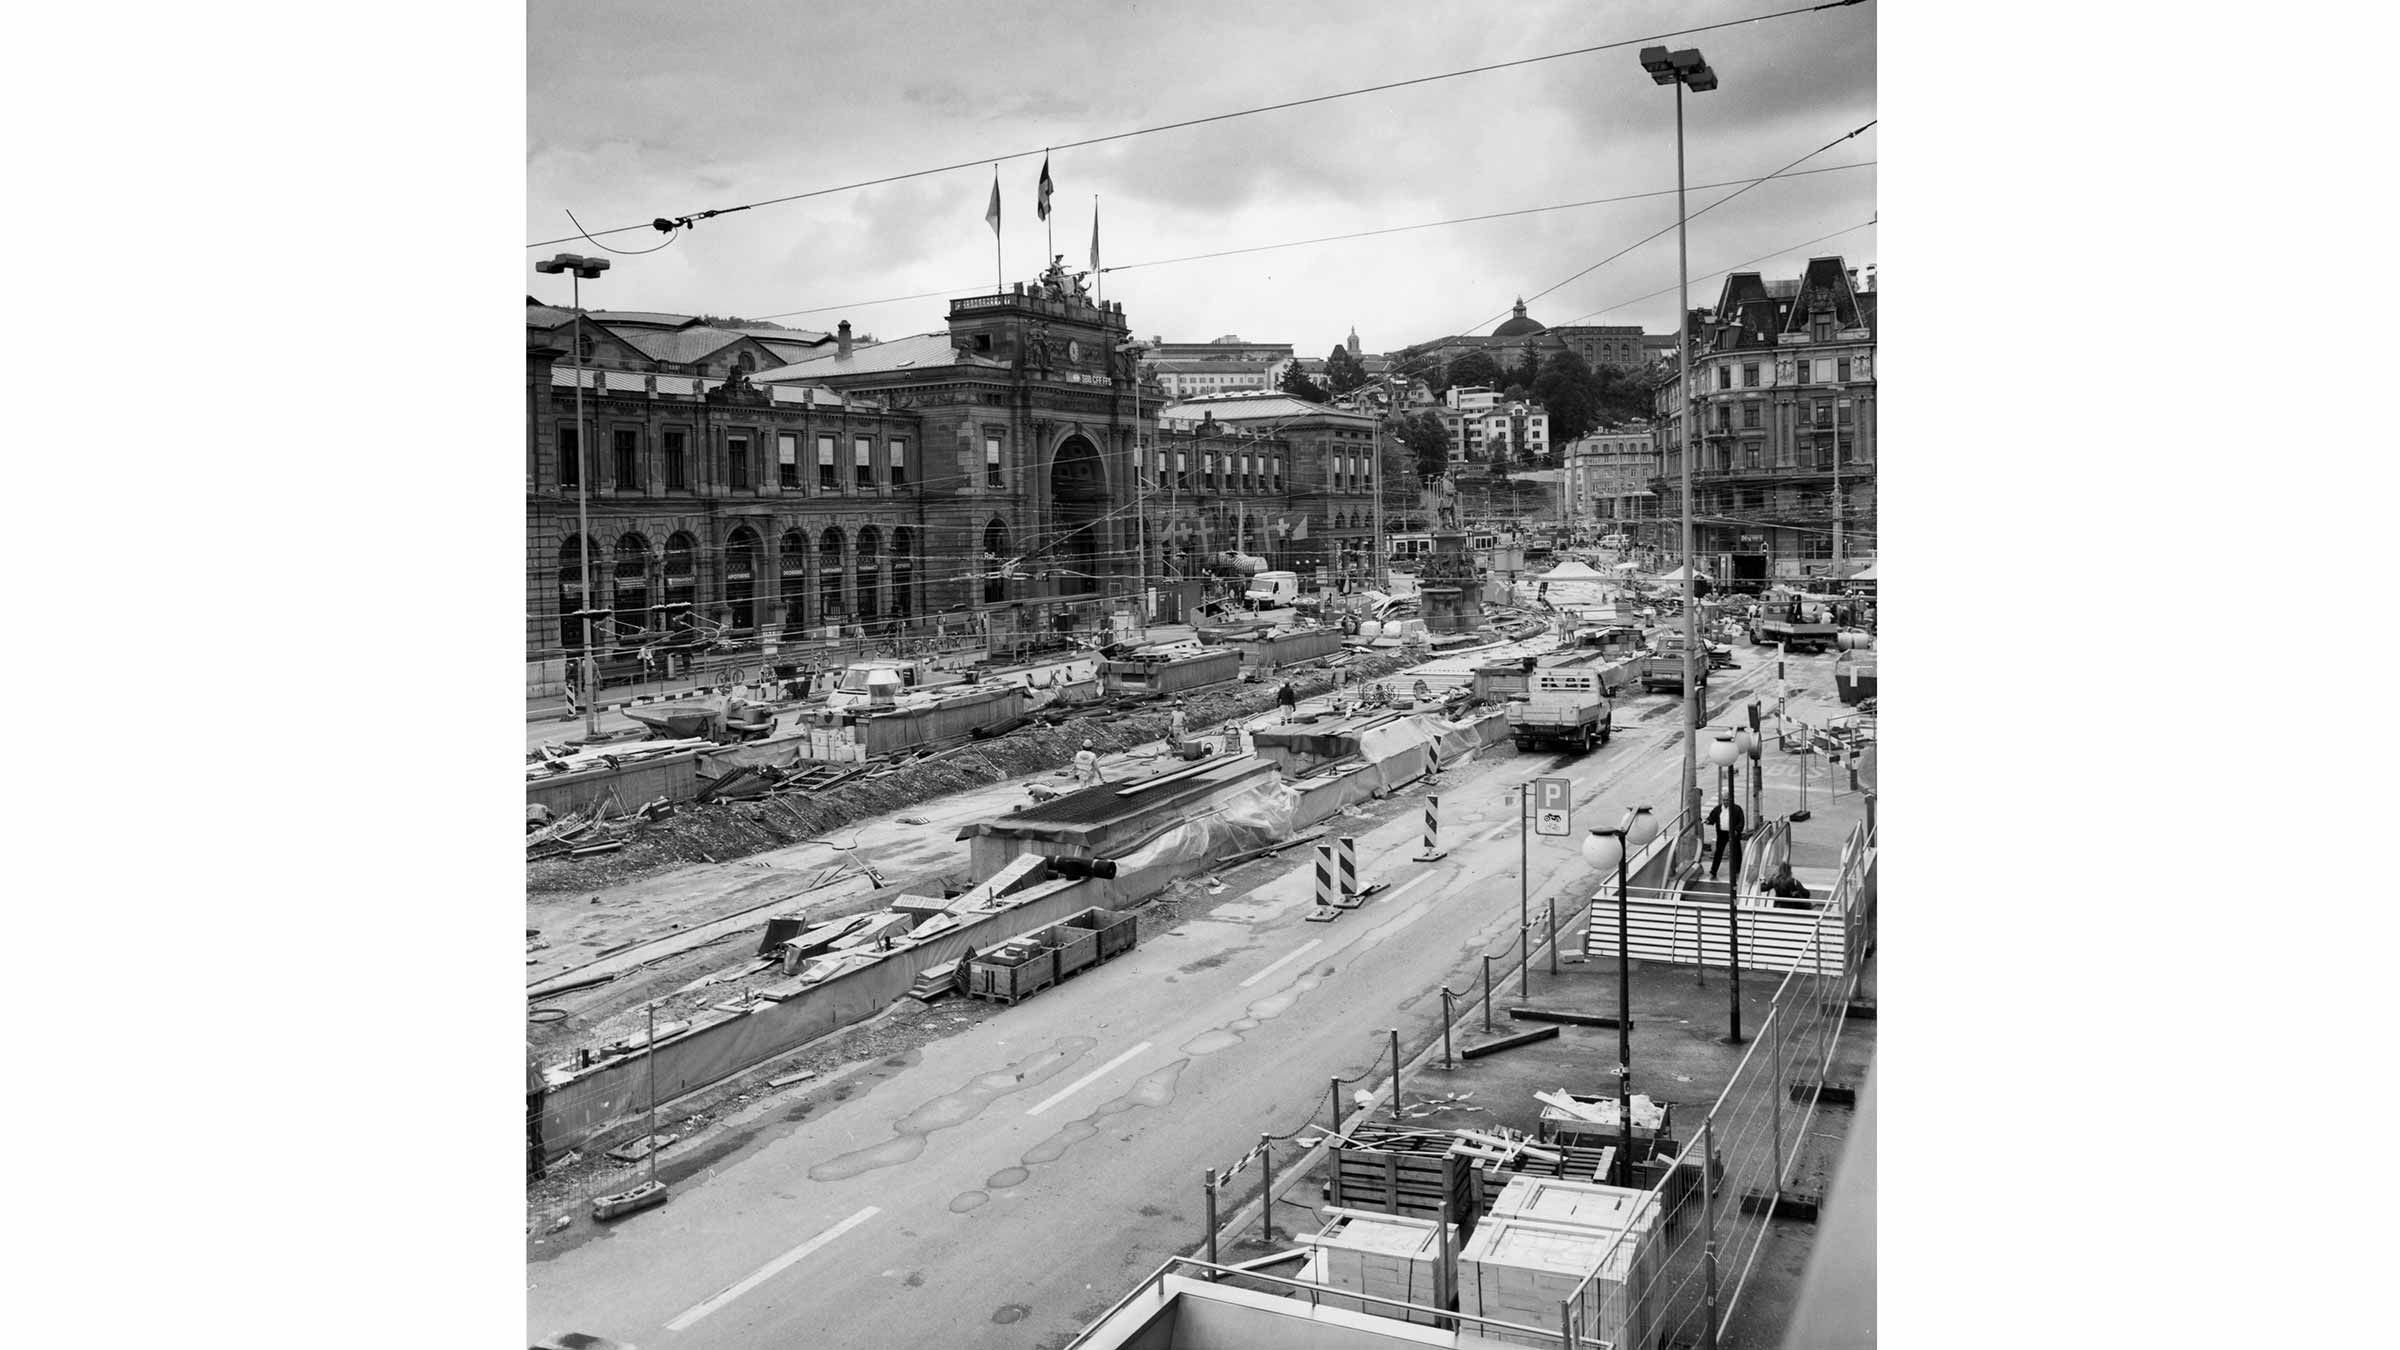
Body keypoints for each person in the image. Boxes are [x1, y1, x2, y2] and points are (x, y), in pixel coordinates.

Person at [1703, 794, 1746, 880]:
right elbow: (1712, 817)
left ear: (1731, 800)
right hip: (1722, 834)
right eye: (1724, 800)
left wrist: (1737, 830)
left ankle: (1737, 870)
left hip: (1733, 833)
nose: (1725, 802)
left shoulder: (1737, 809)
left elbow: (1741, 821)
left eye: (1727, 800)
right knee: (1718, 852)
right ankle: (1713, 871)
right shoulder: (1718, 809)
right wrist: (1708, 821)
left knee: (1736, 852)